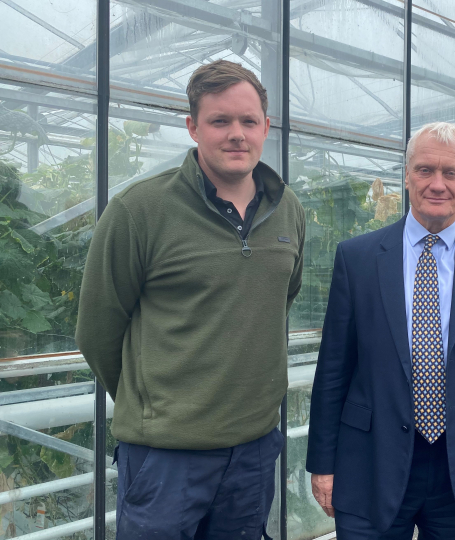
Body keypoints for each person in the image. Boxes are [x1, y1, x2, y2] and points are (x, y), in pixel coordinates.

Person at [75, 60, 304, 539]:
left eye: (248, 121)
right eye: (220, 121)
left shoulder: (288, 210)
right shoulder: (139, 211)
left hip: (254, 450)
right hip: (166, 458)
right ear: (193, 127)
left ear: (266, 126)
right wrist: (157, 408)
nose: (236, 134)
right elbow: (97, 331)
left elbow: (274, 305)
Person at [305, 122, 455, 539]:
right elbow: (334, 369)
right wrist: (323, 463)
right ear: (408, 174)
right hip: (370, 462)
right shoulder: (357, 258)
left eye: (451, 173)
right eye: (425, 170)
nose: (437, 183)